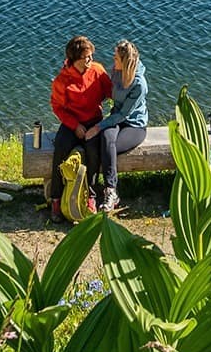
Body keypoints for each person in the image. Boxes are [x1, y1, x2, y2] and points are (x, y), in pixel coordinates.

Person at [48, 35, 112, 223]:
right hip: (72, 122)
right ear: (75, 59)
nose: (91, 60)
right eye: (87, 58)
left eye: (91, 56)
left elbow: (111, 92)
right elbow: (57, 107)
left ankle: (91, 196)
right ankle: (56, 199)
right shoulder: (62, 80)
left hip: (94, 121)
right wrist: (75, 126)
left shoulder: (97, 70)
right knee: (60, 148)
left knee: (93, 150)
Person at [85, 39, 148, 213]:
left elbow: (124, 115)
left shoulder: (139, 84)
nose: (113, 61)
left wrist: (98, 126)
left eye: (116, 58)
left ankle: (111, 191)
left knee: (107, 144)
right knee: (105, 139)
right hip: (116, 117)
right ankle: (92, 190)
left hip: (135, 125)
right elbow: (108, 94)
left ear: (125, 62)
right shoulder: (116, 71)